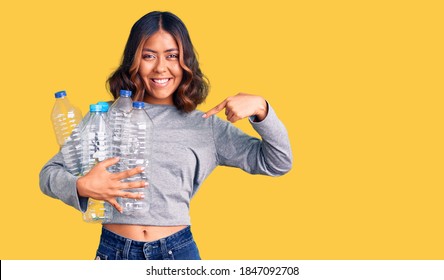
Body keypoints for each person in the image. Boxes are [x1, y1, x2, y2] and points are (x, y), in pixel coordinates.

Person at [39, 11, 292, 260]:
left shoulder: (206, 126)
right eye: (149, 56)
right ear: (134, 62)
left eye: (172, 56)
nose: (161, 68)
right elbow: (49, 174)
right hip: (114, 253)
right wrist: (81, 186)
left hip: (177, 253)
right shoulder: (104, 117)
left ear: (186, 62)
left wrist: (262, 109)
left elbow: (277, 162)